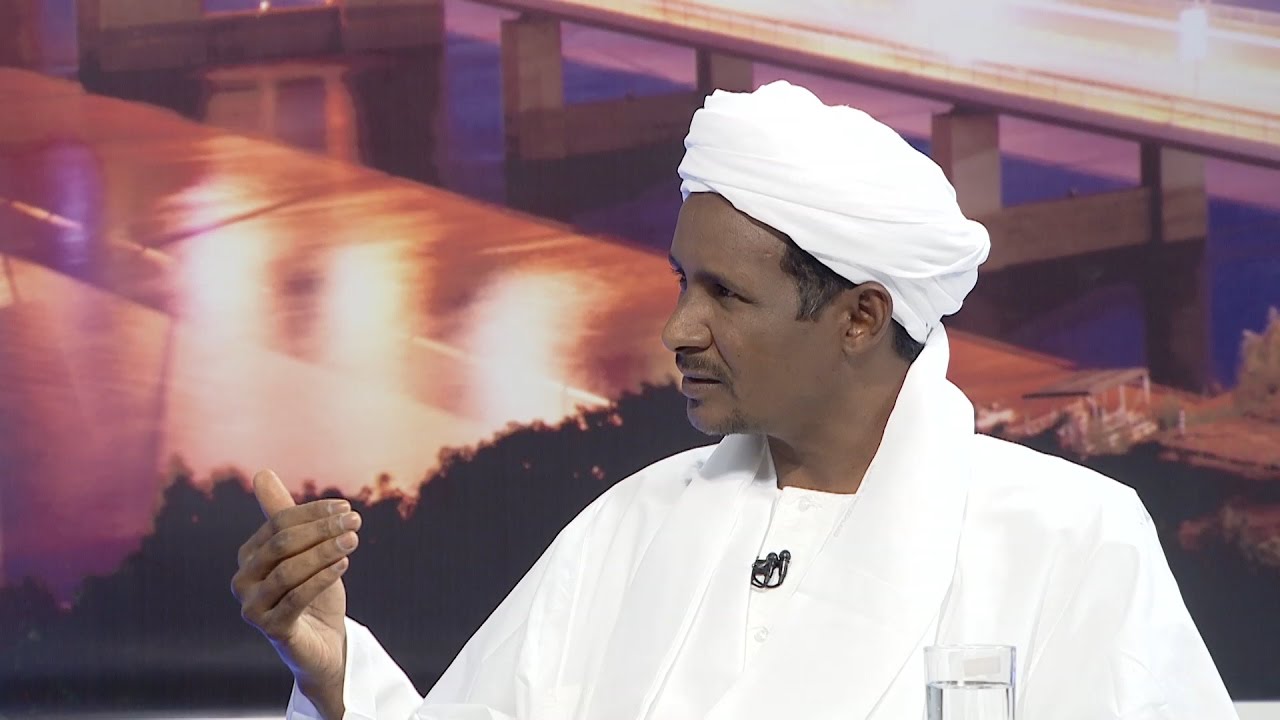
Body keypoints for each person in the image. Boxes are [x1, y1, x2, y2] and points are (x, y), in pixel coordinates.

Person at [231, 81, 1237, 720]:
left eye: (725, 294)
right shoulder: (630, 528)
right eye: (683, 283)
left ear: (859, 316)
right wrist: (331, 672)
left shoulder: (1067, 536)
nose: (678, 328)